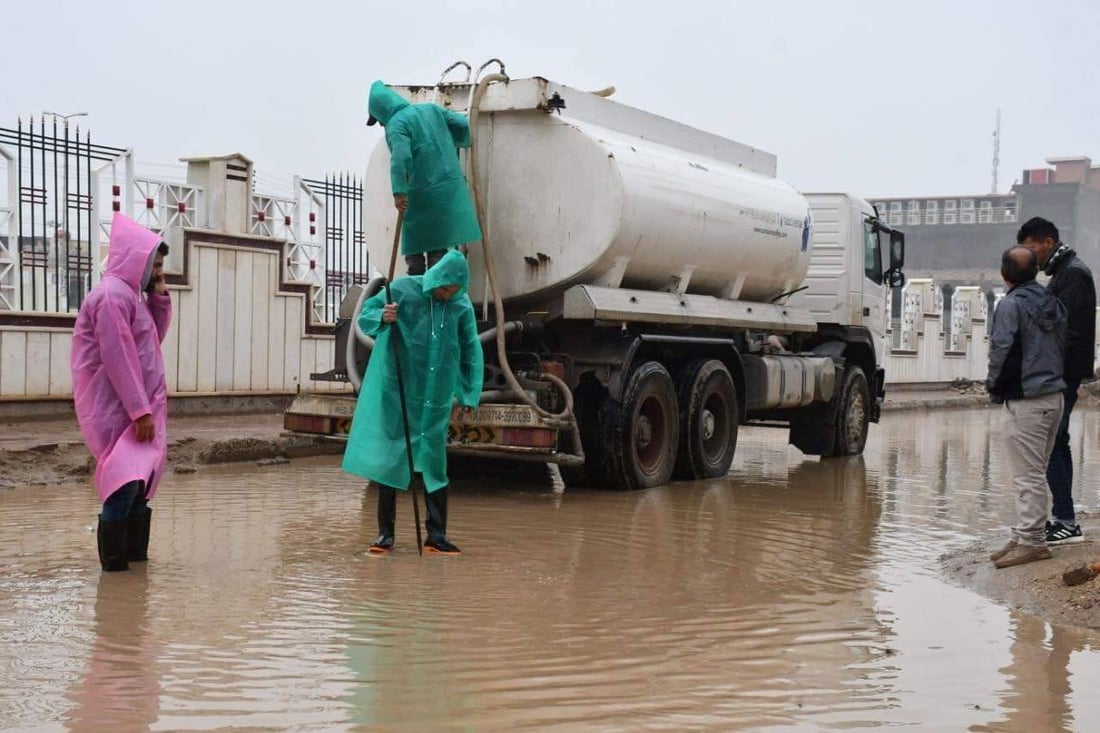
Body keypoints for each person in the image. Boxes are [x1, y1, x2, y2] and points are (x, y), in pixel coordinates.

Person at [342, 250, 484, 555]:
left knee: (434, 462)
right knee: (391, 459)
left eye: (454, 290)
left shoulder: (460, 306)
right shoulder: (403, 291)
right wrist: (383, 315)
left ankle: (437, 536)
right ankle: (385, 536)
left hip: (436, 396)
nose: (448, 295)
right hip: (399, 392)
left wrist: (469, 393)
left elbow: (471, 349)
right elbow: (366, 314)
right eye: (445, 289)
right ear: (437, 278)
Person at [72, 213, 171, 572]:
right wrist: (138, 411)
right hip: (117, 409)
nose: (157, 273)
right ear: (135, 259)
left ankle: (133, 571)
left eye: (160, 267)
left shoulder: (132, 296)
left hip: (138, 410)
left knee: (139, 487)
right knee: (123, 484)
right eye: (153, 265)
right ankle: (115, 572)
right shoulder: (111, 296)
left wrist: (158, 296)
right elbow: (118, 357)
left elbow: (150, 344)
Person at [1017, 217, 1096, 545]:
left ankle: (1065, 520)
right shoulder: (1064, 273)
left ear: (1048, 242)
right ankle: (1063, 516)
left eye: (1031, 246)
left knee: (1050, 445)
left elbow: (1072, 332)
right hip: (1059, 373)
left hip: (1061, 375)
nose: (1028, 254)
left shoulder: (1073, 274)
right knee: (1057, 443)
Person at [987, 246, 1066, 569]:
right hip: (1054, 398)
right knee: (1035, 470)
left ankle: (1033, 541)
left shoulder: (1011, 305)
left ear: (1005, 275)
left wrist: (993, 384)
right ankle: (1023, 534)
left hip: (1028, 401)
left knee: (1027, 475)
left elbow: (1001, 348)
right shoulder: (1054, 302)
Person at [367, 80, 482, 275]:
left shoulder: (396, 124)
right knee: (438, 246)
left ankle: (420, 295)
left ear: (381, 111)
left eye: (378, 120)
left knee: (416, 253)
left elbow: (400, 158)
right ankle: (436, 290)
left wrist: (399, 192)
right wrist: (459, 141)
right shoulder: (432, 109)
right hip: (448, 189)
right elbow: (462, 123)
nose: (380, 123)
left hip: (420, 193)